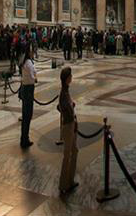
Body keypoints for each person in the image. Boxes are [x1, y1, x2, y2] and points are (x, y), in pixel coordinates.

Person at [58, 67, 78, 195]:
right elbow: (62, 108)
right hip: (69, 125)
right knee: (67, 154)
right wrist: (70, 110)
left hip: (71, 124)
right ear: (66, 79)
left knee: (74, 151)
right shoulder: (63, 93)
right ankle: (64, 183)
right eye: (70, 76)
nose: (72, 77)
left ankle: (70, 180)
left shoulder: (66, 92)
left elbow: (61, 107)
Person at [19, 48, 37, 148]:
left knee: (25, 115)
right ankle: (24, 139)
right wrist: (36, 79)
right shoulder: (29, 62)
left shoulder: (24, 61)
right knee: (27, 115)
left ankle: (24, 138)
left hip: (25, 88)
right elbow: (32, 76)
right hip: (28, 89)